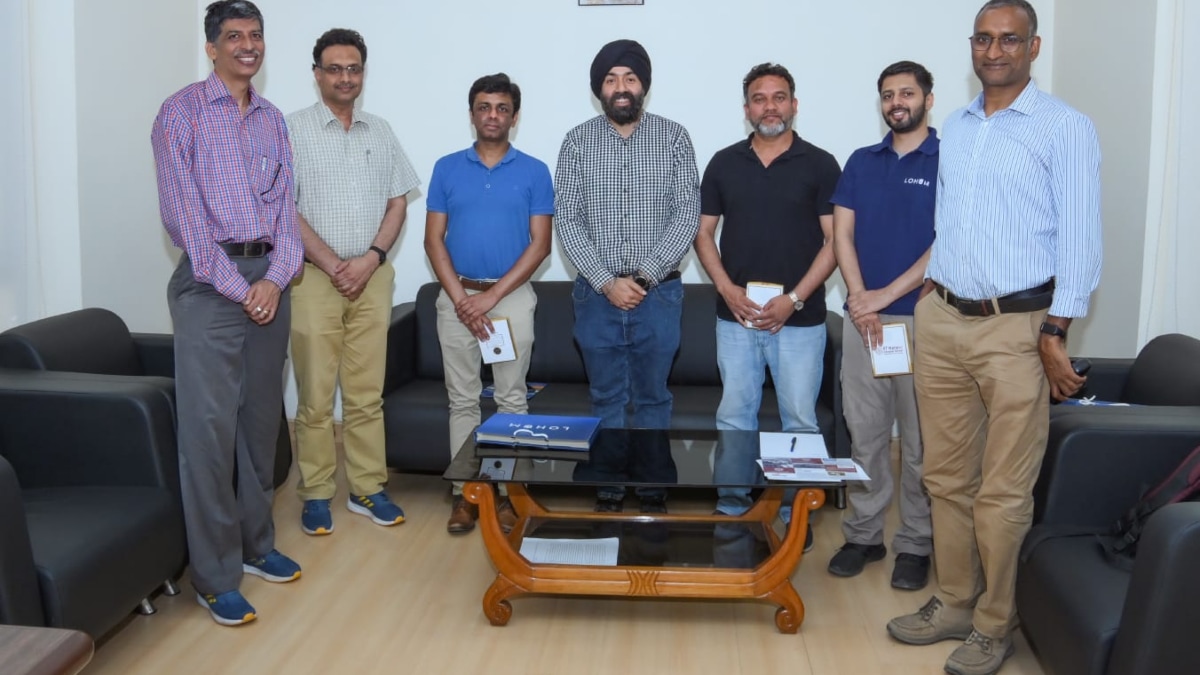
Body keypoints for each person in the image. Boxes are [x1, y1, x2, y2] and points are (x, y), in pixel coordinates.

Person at [886, 3, 1102, 674]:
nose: (995, 49)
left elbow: (1082, 238)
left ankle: (992, 622)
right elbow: (953, 223)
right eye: (984, 38)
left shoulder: (1065, 127)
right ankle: (955, 601)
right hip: (943, 321)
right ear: (972, 46)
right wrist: (934, 288)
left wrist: (1057, 330)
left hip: (1018, 328)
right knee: (945, 477)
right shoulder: (955, 125)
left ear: (1033, 47)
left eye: (1009, 39)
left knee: (1002, 491)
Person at [150, 0, 303, 626]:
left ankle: (256, 545)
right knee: (209, 437)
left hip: (271, 281)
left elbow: (286, 210)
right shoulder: (180, 112)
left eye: (256, 34)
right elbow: (183, 217)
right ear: (211, 47)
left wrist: (276, 277)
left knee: (260, 427)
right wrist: (245, 290)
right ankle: (215, 577)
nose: (248, 45)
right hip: (211, 285)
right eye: (234, 35)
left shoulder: (272, 119)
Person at [694, 62, 841, 551]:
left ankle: (794, 514)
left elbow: (835, 242)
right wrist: (726, 289)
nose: (770, 107)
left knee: (799, 419)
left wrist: (793, 299)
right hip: (736, 318)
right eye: (760, 98)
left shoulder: (820, 164)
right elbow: (703, 233)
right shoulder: (723, 163)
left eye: (779, 97)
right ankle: (732, 507)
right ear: (747, 109)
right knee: (735, 416)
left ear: (794, 105)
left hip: (799, 320)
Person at [554, 39, 700, 513]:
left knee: (654, 397)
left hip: (659, 293)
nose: (621, 87)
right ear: (599, 89)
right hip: (595, 293)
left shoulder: (674, 137)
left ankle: (654, 489)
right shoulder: (577, 141)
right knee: (606, 396)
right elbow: (567, 218)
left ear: (644, 87)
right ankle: (608, 488)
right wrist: (605, 281)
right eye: (611, 79)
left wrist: (644, 277)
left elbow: (687, 214)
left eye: (630, 79)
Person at [286, 28, 419, 536]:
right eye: (335, 69)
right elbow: (282, 208)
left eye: (354, 68)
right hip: (311, 279)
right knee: (316, 397)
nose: (345, 77)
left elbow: (397, 202)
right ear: (317, 74)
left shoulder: (379, 130)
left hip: (371, 278)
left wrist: (371, 258)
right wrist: (330, 262)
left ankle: (367, 487)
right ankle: (317, 492)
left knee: (365, 394)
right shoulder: (290, 130)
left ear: (363, 73)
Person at [424, 73, 554, 533]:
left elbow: (540, 245)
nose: (492, 115)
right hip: (456, 297)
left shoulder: (535, 171)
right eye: (484, 107)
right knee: (462, 401)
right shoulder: (446, 168)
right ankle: (466, 495)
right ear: (472, 114)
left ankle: (508, 493)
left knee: (511, 400)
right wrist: (463, 300)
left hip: (510, 298)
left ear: (514, 117)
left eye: (502, 108)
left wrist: (492, 298)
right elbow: (433, 240)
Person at [827, 61, 937, 589]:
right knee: (866, 434)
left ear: (927, 100)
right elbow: (841, 236)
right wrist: (860, 301)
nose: (898, 102)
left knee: (920, 444)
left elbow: (946, 243)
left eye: (907, 93)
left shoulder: (948, 160)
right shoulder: (861, 162)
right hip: (862, 322)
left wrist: (883, 297)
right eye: (889, 94)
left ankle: (916, 542)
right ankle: (864, 535)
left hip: (924, 322)